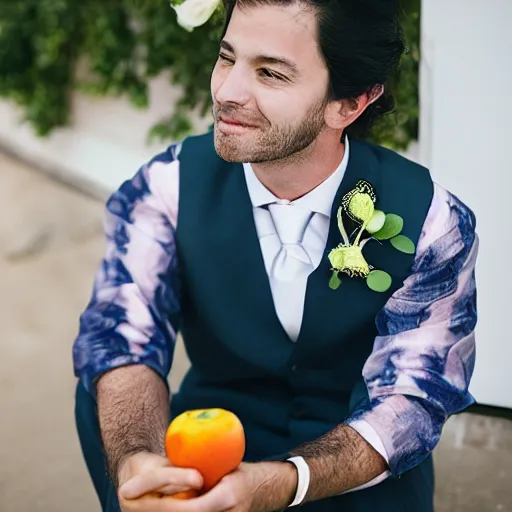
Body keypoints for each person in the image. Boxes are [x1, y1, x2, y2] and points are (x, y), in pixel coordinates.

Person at [72, 0, 479, 511]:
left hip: (352, 472)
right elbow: (122, 332)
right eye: (227, 58)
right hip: (210, 447)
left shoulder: (432, 222)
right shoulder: (166, 187)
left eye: (270, 73)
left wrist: (284, 482)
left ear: (348, 104)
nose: (226, 92)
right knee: (104, 391)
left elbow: (412, 399)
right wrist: (139, 460)